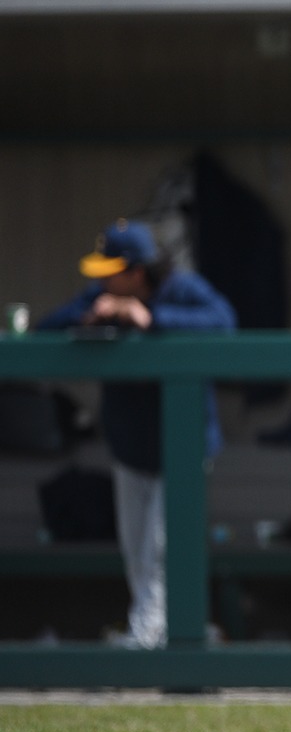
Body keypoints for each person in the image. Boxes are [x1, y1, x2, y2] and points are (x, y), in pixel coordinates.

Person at [38, 219, 237, 648]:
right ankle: (167, 630)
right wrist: (93, 315)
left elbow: (224, 323)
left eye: (112, 269)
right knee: (135, 550)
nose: (103, 278)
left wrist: (150, 317)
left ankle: (149, 635)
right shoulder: (103, 294)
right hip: (130, 445)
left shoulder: (181, 289)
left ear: (137, 271)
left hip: (183, 447)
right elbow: (46, 328)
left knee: (162, 547)